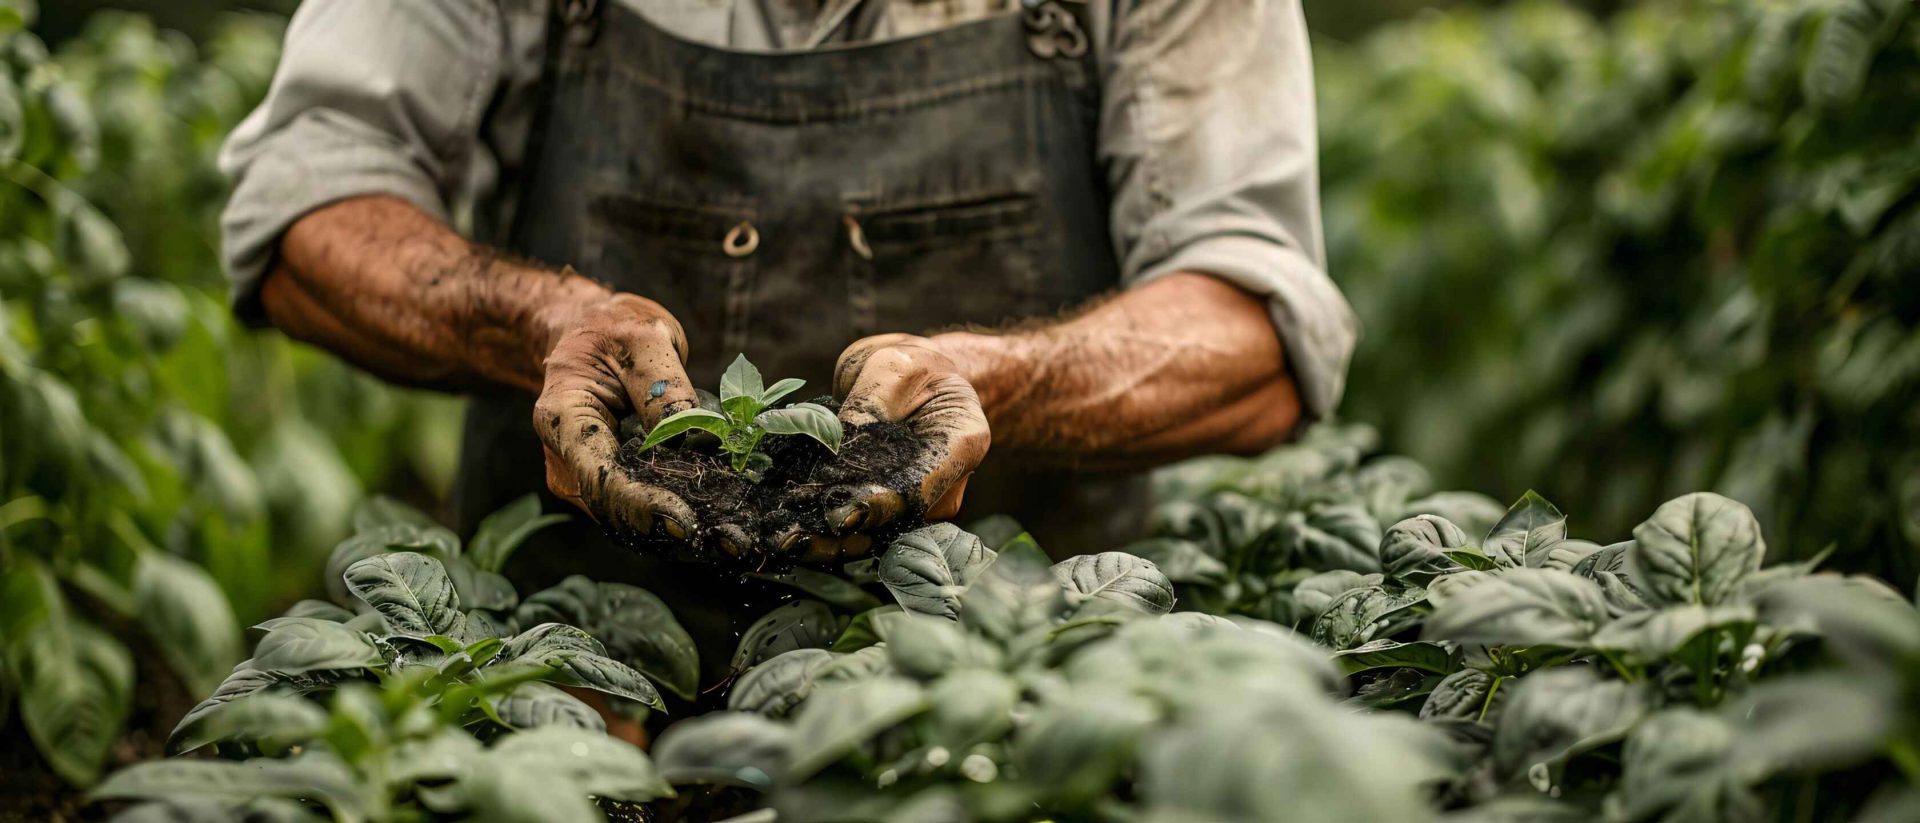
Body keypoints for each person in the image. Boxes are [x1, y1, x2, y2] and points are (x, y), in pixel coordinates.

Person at [221, 0, 1356, 696]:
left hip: (1001, 689)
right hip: (583, 689)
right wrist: (542, 325)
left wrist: (997, 380)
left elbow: (1254, 320)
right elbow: (309, 203)